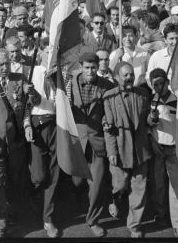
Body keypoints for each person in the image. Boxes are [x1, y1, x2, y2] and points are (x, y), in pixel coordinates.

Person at [0, 48, 40, 237]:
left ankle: (11, 213)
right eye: (1, 64)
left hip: (17, 141)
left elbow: (33, 103)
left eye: (7, 63)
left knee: (15, 180)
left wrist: (32, 91)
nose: (5, 67)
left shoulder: (20, 78)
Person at [67, 52, 114, 237]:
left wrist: (106, 121)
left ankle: (93, 220)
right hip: (76, 140)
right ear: (81, 67)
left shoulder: (107, 86)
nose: (90, 71)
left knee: (97, 183)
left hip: (97, 140)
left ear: (98, 66)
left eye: (93, 67)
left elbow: (110, 110)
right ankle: (78, 203)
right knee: (77, 182)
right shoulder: (70, 84)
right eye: (86, 67)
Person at [103, 63, 152, 238]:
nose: (129, 78)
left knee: (139, 188)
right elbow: (108, 129)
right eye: (125, 75)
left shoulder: (143, 94)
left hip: (140, 150)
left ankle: (134, 225)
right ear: (117, 77)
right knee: (120, 185)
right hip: (121, 149)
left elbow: (147, 120)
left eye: (131, 74)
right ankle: (115, 198)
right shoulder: (109, 97)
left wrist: (152, 119)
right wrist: (112, 152)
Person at [23, 54, 60, 238]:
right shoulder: (33, 72)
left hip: (57, 125)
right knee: (39, 175)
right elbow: (29, 103)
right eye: (48, 55)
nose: (50, 60)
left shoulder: (61, 75)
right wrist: (28, 124)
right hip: (38, 124)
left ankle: (48, 218)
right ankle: (32, 198)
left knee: (53, 174)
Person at [147, 68, 178, 237]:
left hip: (173, 149)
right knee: (158, 184)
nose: (159, 87)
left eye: (161, 83)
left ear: (168, 82)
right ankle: (161, 213)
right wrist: (152, 119)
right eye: (155, 84)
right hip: (157, 147)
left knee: (176, 186)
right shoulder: (150, 100)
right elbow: (147, 125)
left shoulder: (177, 101)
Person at [145, 23, 178, 88]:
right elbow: (148, 78)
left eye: (177, 38)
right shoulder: (156, 56)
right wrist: (157, 91)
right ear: (165, 40)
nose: (175, 42)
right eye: (171, 39)